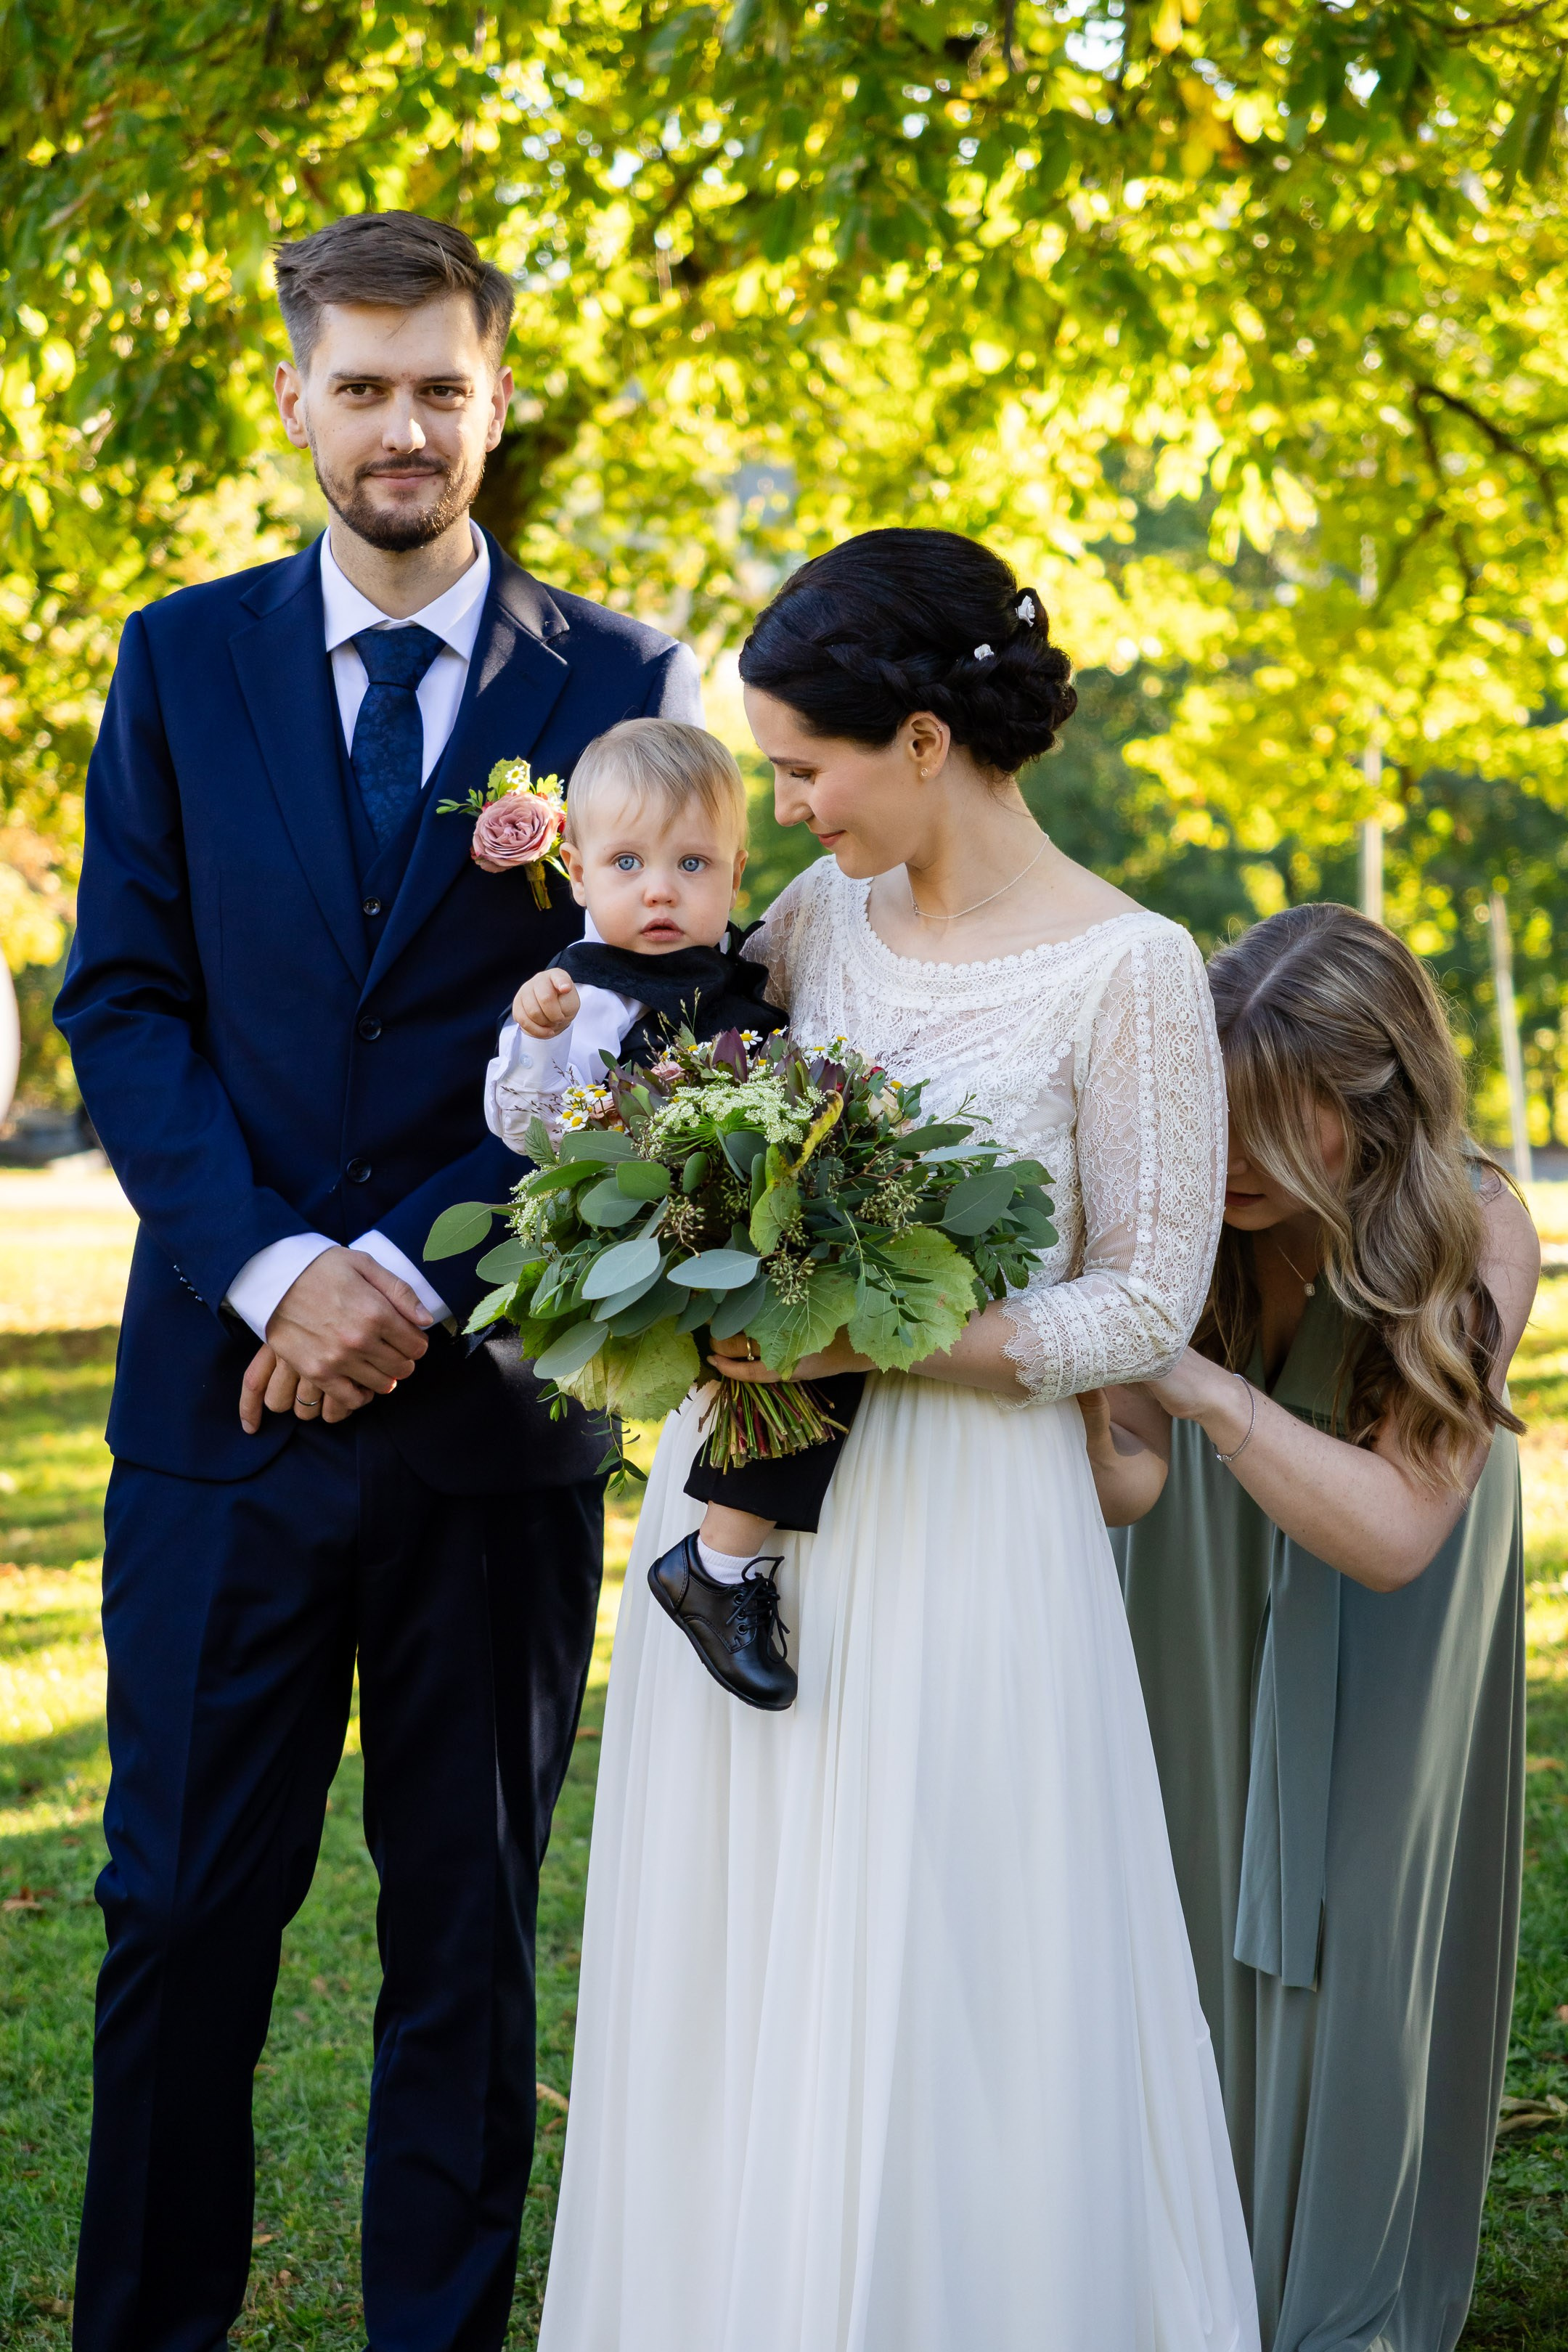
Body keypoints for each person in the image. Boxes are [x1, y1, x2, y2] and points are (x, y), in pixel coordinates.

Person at [54, 210, 701, 2352]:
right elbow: (125, 1002)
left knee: (468, 1934)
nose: (404, 426)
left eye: (442, 385)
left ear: (495, 396)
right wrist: (266, 1267)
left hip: (488, 1417)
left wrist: (403, 1271)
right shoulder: (177, 658)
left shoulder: (620, 686)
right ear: (298, 400)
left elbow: (644, 1004)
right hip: (216, 1420)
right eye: (364, 385)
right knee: (173, 1920)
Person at [536, 527, 1259, 2352]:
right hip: (751, 1517)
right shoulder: (809, 928)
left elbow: (1147, 1302)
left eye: (803, 768)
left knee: (959, 1964)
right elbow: (673, 1092)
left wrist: (896, 1332)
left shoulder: (1133, 969)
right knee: (739, 1962)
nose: (777, 811)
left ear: (925, 741)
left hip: (972, 1537)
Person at [1106, 903, 1538, 2352]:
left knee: (1360, 1927)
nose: (1231, 1159)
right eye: (1217, 1112)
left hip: (1383, 1603)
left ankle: (1334, 2293)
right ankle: (1179, 2262)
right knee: (1176, 1877)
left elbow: (1401, 1532)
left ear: (1381, 1102)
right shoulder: (1182, 1205)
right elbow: (1119, 1471)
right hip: (1197, 1560)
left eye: (1281, 1125)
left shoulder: (1473, 1225)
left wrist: (1202, 1388)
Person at [491, 714, 865, 1712]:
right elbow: (526, 1130)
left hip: (733, 1227)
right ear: (576, 873)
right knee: (800, 1354)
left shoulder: (746, 976)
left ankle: (719, 1560)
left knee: (818, 1349)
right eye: (627, 861)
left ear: (736, 876)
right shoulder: (579, 995)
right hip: (636, 1239)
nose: (659, 888)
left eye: (691, 863)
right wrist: (537, 1042)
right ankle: (720, 1564)